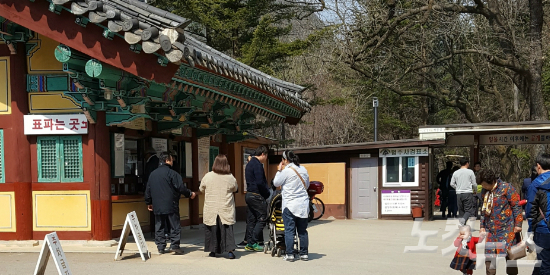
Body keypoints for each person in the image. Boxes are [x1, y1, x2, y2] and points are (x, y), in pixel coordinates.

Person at [145, 151, 196, 255]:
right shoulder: (173, 173)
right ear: (167, 160)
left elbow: (148, 189)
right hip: (171, 203)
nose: (173, 162)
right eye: (172, 159)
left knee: (159, 225)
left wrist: (149, 202)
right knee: (174, 225)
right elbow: (181, 187)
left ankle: (160, 246)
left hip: (157, 204)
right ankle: (175, 245)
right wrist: (189, 194)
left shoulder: (153, 174)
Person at [479, 169, 522, 275]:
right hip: (491, 229)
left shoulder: (507, 188)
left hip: (507, 228)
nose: (483, 187)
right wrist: (482, 225)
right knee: (489, 257)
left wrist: (518, 224)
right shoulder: (485, 192)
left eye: (484, 185)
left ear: (492, 181)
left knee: (510, 256)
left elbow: (516, 206)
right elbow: (484, 210)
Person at [273, 150, 310, 262]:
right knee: (302, 231)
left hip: (289, 205)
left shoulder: (286, 171)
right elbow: (307, 185)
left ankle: (290, 254)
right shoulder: (303, 170)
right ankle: (304, 254)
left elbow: (276, 183)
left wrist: (279, 170)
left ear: (285, 160)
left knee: (289, 230)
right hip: (303, 204)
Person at [199, 155, 238, 259]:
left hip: (211, 207)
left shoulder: (208, 176)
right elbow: (235, 188)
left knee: (212, 229)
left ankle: (213, 251)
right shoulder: (230, 177)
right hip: (225, 207)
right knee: (227, 229)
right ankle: (230, 251)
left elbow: (201, 188)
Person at [527, 154, 550, 275]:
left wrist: (530, 232)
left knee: (544, 265)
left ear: (538, 166)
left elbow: (531, 211)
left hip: (543, 228)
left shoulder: (535, 184)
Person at [244, 146, 270, 252]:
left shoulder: (249, 163)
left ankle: (249, 242)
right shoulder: (258, 165)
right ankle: (253, 242)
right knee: (263, 217)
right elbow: (260, 182)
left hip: (249, 194)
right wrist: (266, 193)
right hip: (256, 195)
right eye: (266, 156)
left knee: (252, 219)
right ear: (263, 154)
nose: (266, 158)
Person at [450, 158, 477, 226]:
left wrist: (457, 188)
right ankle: (462, 222)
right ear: (467, 163)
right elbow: (474, 183)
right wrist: (475, 190)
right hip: (468, 192)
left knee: (461, 211)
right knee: (469, 210)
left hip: (459, 193)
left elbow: (452, 184)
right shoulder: (470, 172)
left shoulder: (455, 172)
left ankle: (462, 227)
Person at [237, 153, 255, 248]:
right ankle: (248, 239)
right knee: (250, 220)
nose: (248, 163)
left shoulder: (254, 168)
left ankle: (250, 240)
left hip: (253, 197)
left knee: (251, 220)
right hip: (251, 196)